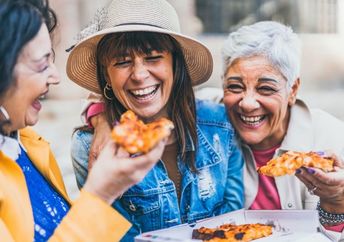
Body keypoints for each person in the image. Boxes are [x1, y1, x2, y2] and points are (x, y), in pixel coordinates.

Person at [67, 0, 244, 240]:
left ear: (176, 64)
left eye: (153, 58)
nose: (139, 75)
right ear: (106, 75)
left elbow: (235, 223)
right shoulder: (91, 147)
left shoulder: (220, 124)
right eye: (122, 62)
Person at [0, 1, 167, 241]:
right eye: (41, 64)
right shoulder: (85, 146)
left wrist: (100, 112)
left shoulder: (27, 145)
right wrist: (101, 193)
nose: (55, 76)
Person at [221, 21, 344, 239]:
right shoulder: (206, 125)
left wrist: (336, 201)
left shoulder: (334, 138)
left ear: (292, 89)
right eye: (235, 87)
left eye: (266, 89)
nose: (247, 103)